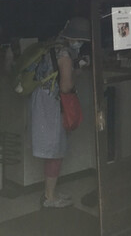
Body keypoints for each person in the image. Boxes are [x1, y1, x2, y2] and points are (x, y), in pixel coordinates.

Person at [31, 16, 91, 209]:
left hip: (42, 99)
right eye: (80, 40)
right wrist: (77, 71)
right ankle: (49, 197)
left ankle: (51, 191)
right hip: (52, 103)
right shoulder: (65, 54)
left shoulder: (54, 45)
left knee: (52, 149)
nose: (80, 43)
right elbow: (65, 86)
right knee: (55, 151)